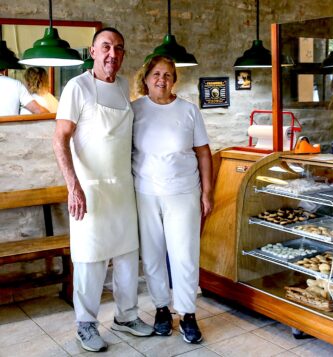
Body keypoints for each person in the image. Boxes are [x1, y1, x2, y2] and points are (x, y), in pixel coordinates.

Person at [52, 27, 154, 353]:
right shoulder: (76, 87)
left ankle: (127, 316)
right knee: (89, 259)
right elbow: (60, 139)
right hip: (89, 189)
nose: (113, 54)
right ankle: (86, 324)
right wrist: (73, 187)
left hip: (123, 187)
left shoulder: (125, 87)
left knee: (126, 256)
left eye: (119, 48)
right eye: (106, 47)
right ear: (93, 51)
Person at [131, 55, 213, 344]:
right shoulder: (135, 110)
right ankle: (162, 309)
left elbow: (204, 153)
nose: (161, 80)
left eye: (167, 75)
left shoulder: (188, 111)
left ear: (174, 80)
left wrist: (207, 193)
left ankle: (188, 313)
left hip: (183, 193)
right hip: (145, 192)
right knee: (152, 255)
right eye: (156, 74)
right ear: (146, 78)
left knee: (184, 255)